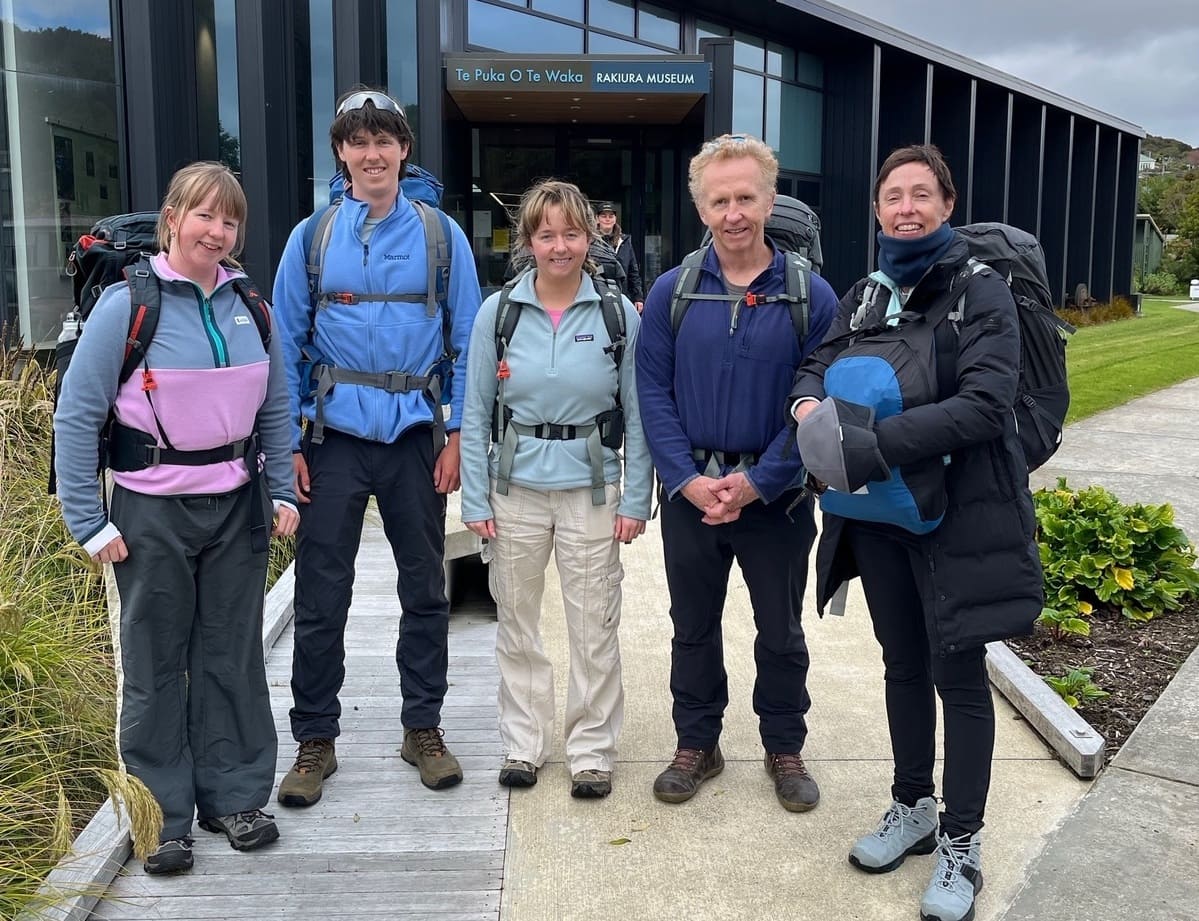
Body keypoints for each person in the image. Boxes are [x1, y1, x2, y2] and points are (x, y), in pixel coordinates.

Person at [789, 144, 1042, 921]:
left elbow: (985, 405)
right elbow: (814, 364)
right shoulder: (864, 293)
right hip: (876, 518)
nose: (904, 207)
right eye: (891, 195)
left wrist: (868, 446)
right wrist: (806, 410)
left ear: (945, 203)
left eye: (919, 194)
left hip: (952, 518)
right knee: (901, 665)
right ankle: (913, 807)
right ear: (876, 210)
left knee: (957, 678)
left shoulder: (980, 290)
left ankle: (962, 842)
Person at [53, 161, 298, 874]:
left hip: (236, 506)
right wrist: (87, 519)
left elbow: (276, 407)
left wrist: (281, 490)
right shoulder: (128, 305)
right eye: (205, 216)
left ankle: (235, 795)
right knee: (156, 665)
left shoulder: (250, 304)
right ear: (173, 219)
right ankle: (163, 818)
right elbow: (76, 415)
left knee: (232, 653)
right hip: (148, 510)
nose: (217, 232)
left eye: (230, 221)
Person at [271, 88, 482, 806]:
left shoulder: (439, 235)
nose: (371, 154)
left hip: (414, 437)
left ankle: (421, 726)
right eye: (357, 142)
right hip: (330, 438)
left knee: (425, 588)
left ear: (402, 150)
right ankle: (315, 740)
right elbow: (286, 348)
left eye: (383, 140)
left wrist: (455, 435)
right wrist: (290, 440)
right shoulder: (312, 236)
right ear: (340, 153)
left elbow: (466, 344)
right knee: (320, 592)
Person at [634, 134, 838, 812]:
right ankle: (698, 742)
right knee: (691, 625)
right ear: (700, 206)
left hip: (774, 501)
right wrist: (686, 480)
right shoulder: (672, 293)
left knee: (778, 628)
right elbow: (652, 395)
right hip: (691, 494)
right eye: (718, 200)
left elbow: (817, 402)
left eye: (745, 197)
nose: (733, 213)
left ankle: (784, 744)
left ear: (769, 197)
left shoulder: (812, 298)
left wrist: (760, 481)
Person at [460, 179, 652, 798]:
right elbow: (476, 408)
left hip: (592, 490)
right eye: (547, 234)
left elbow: (639, 411)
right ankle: (524, 744)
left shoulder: (618, 315)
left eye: (572, 233)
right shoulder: (499, 313)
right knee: (516, 621)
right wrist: (474, 496)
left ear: (592, 236)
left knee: (594, 623)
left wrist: (636, 496)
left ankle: (591, 749)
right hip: (514, 486)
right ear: (529, 241)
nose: (560, 246)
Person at [595, 201, 644, 311]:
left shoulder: (625, 241)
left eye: (611, 216)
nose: (607, 219)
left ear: (615, 219)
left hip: (623, 295)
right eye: (603, 216)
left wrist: (638, 297)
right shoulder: (590, 242)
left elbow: (633, 272)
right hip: (598, 295)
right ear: (597, 219)